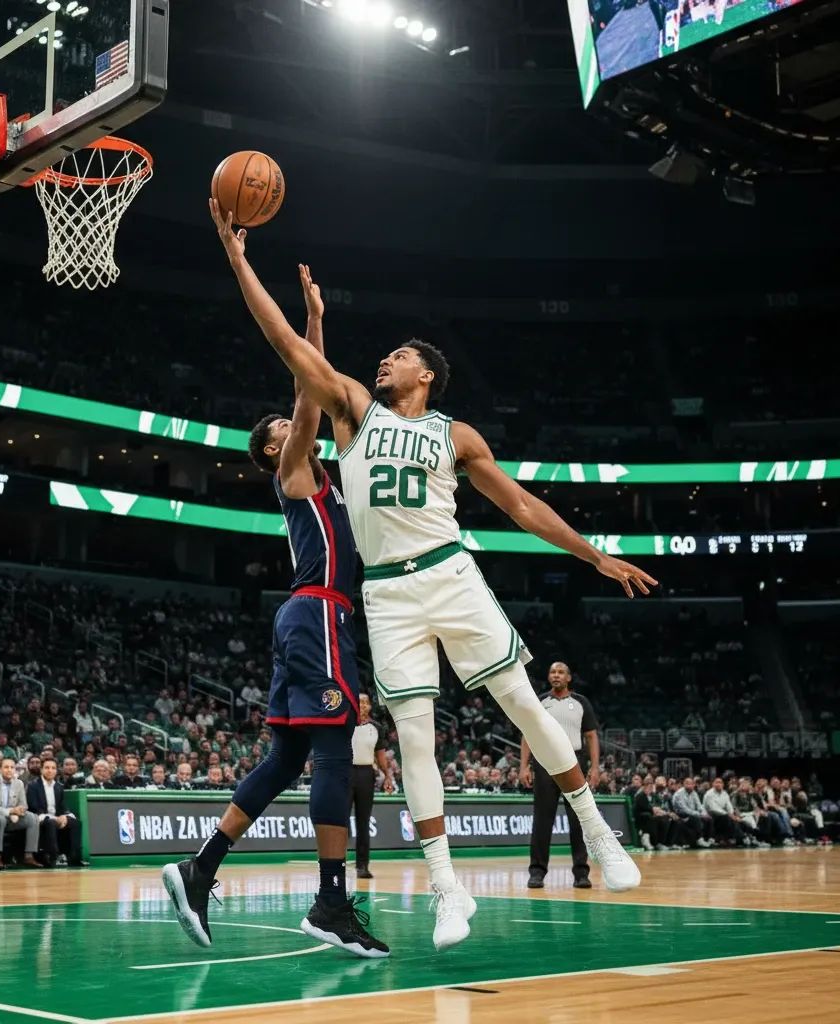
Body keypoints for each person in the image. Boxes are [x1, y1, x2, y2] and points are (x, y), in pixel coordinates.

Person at [211, 201, 653, 949]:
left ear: (426, 374)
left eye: (398, 357)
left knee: (521, 703)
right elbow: (287, 343)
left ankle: (597, 832)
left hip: (450, 574)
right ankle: (447, 890)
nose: (384, 361)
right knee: (414, 740)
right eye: (383, 357)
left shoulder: (458, 434)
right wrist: (236, 256)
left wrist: (593, 554)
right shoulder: (353, 413)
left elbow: (519, 505)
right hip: (386, 592)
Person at [163, 263, 388, 959]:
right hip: (317, 615)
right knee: (329, 751)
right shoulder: (294, 469)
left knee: (288, 756)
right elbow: (307, 386)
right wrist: (310, 325)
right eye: (278, 427)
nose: (289, 425)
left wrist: (317, 321)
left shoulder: (332, 480)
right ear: (272, 449)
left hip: (311, 618)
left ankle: (198, 870)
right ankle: (329, 901)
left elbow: (310, 380)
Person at [518, 662, 600, 890]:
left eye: (560, 672)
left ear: (569, 678)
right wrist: (524, 766)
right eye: (552, 671)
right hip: (545, 762)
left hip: (575, 762)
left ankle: (581, 874)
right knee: (542, 820)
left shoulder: (582, 702)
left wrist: (595, 768)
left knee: (578, 820)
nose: (556, 675)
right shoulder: (540, 702)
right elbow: (528, 733)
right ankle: (537, 873)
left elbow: (592, 736)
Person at [350, 693, 394, 879]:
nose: (363, 705)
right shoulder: (344, 724)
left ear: (370, 706)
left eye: (366, 702)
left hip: (365, 774)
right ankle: (337, 862)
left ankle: (362, 866)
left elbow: (381, 757)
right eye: (359, 701)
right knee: (341, 821)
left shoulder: (377, 728)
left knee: (363, 822)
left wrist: (388, 777)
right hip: (344, 772)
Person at [0, 757, 42, 867]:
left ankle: (29, 856)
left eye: (12, 767)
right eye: (6, 767)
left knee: (33, 818)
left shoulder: (19, 783)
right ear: (0, 770)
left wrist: (19, 810)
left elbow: (24, 805)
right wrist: (11, 811)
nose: (9, 770)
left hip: (14, 817)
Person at [27, 757, 84, 867]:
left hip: (56, 818)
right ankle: (52, 856)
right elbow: (34, 808)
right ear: (41, 770)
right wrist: (55, 818)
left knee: (76, 822)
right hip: (40, 818)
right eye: (47, 768)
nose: (50, 770)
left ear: (56, 771)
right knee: (50, 823)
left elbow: (63, 807)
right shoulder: (33, 786)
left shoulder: (59, 786)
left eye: (53, 768)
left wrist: (65, 816)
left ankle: (74, 857)